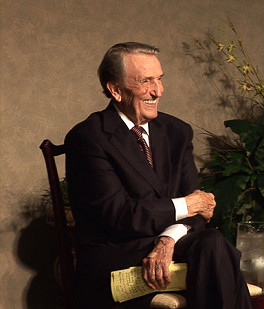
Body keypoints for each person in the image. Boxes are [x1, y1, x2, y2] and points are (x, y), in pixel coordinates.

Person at [65, 42, 253, 309]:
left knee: (211, 242)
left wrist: (168, 240)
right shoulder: (89, 137)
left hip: (171, 244)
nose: (157, 91)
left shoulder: (176, 131)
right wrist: (186, 205)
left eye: (159, 79)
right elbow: (119, 216)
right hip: (117, 254)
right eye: (146, 81)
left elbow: (199, 215)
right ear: (115, 90)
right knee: (215, 251)